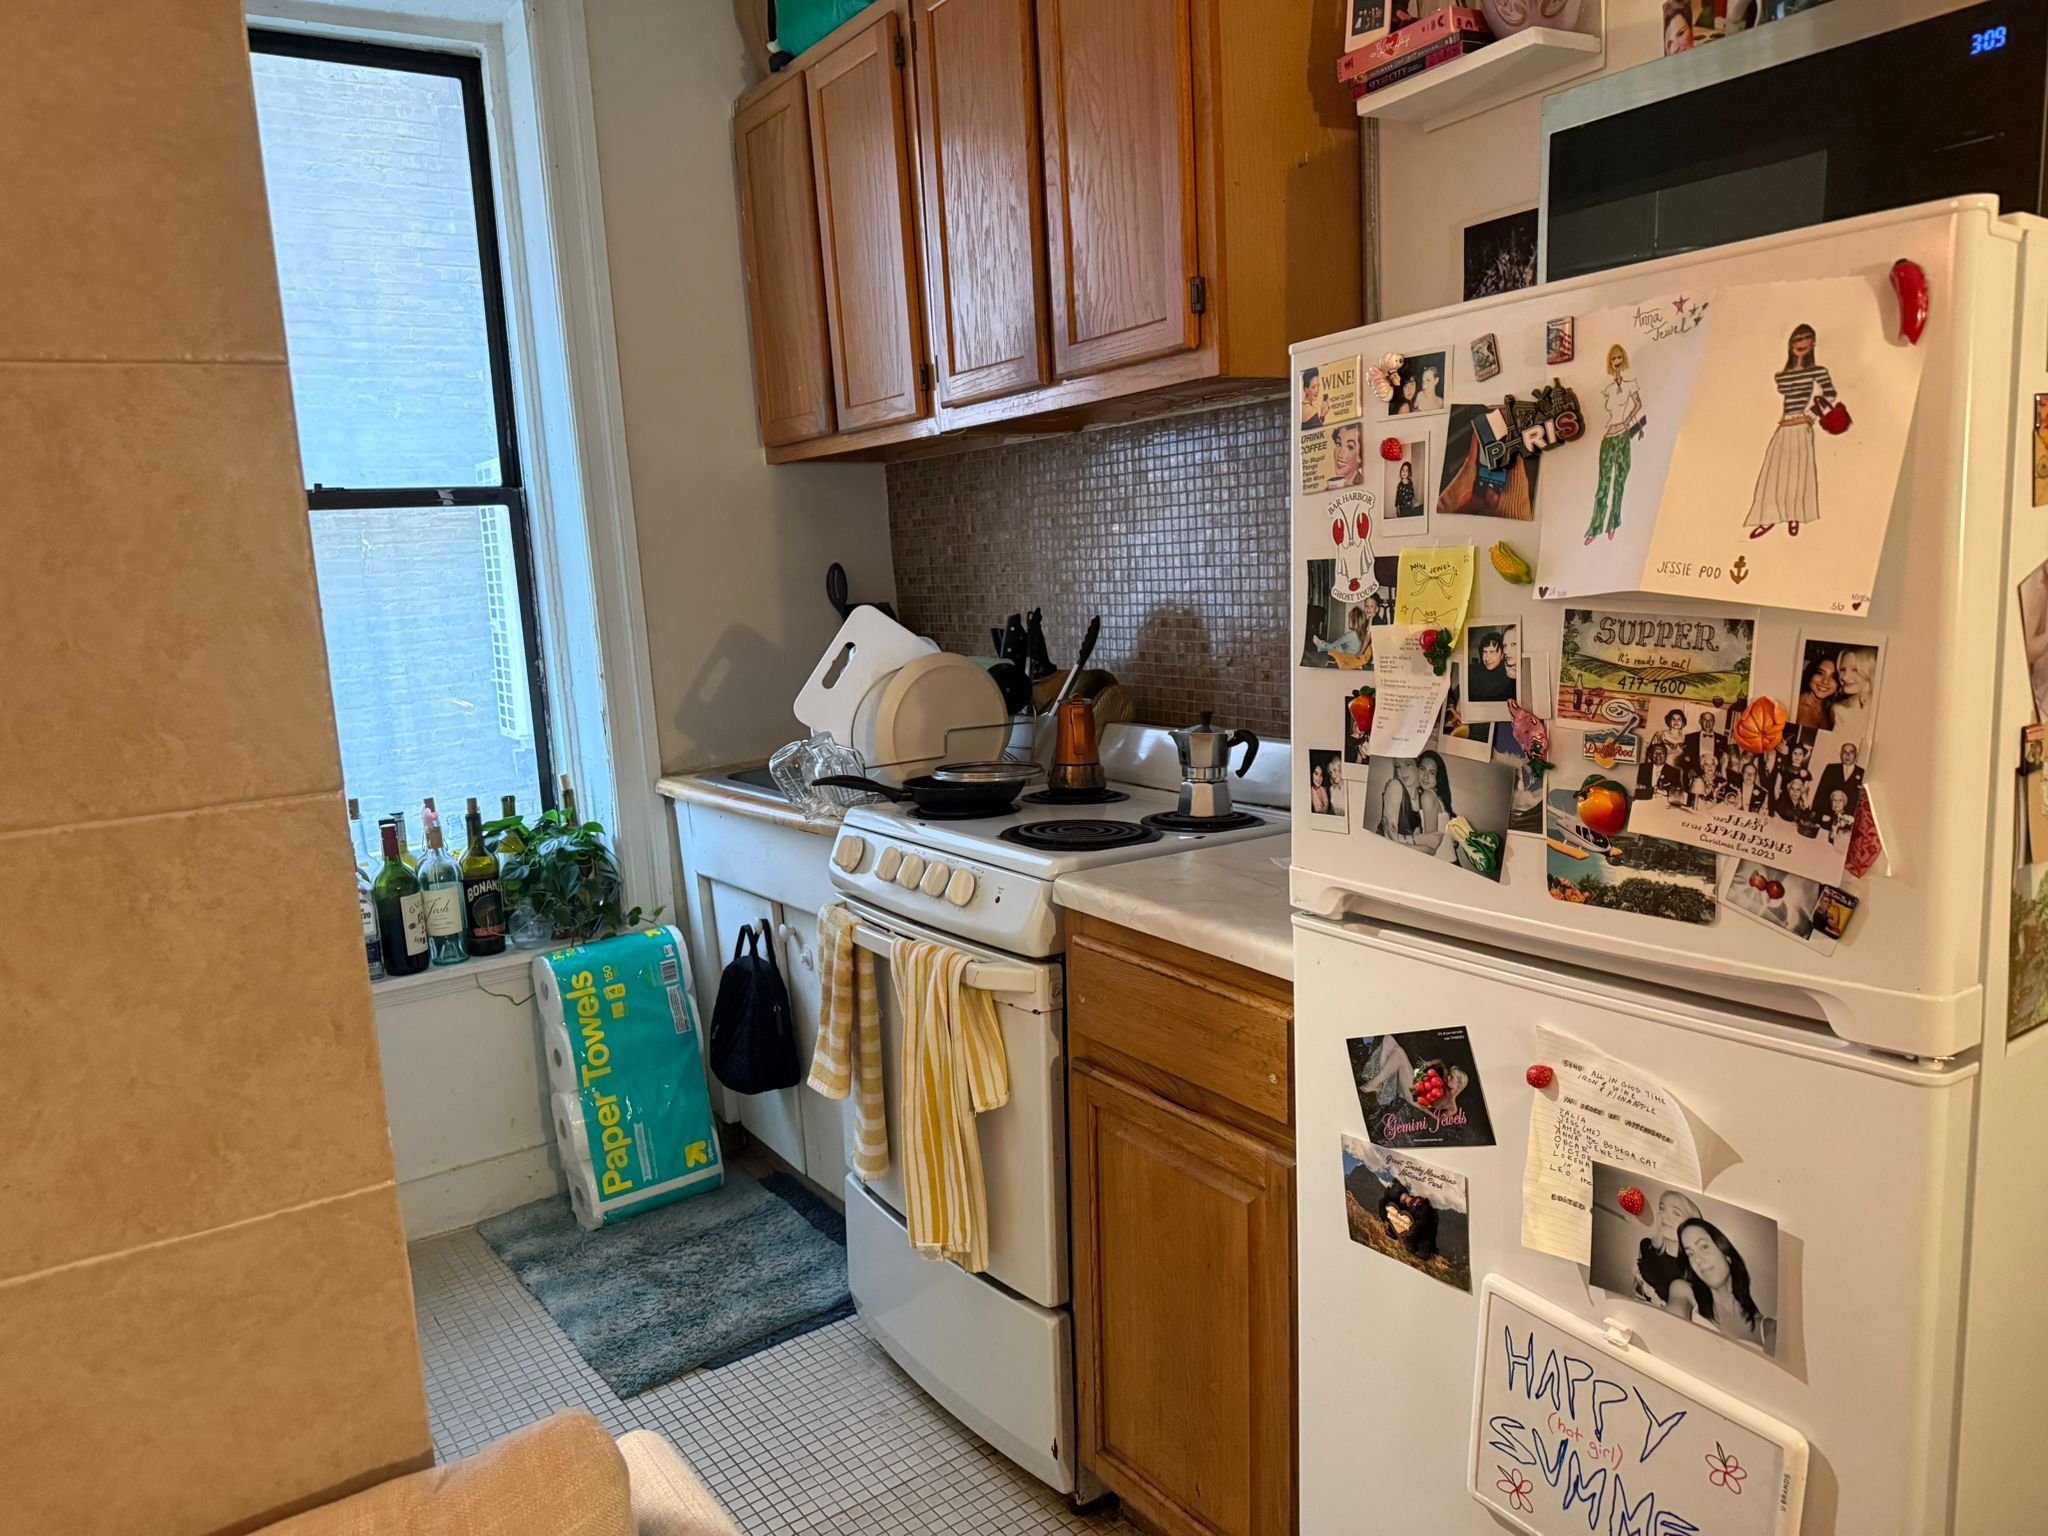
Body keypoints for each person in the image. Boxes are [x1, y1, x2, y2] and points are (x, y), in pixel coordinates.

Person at [1745, 322, 1838, 539]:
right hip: (1784, 423)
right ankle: (1768, 516)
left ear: (1812, 344)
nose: (1801, 344)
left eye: (1805, 340)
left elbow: (1831, 393)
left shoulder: (1818, 371)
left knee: (1798, 471)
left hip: (1800, 423)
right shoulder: (1782, 375)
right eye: (1797, 340)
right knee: (1775, 470)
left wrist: (1812, 415)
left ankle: (1795, 515)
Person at [1679, 1217, 1775, 1353]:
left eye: (1704, 1246)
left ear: (1726, 1253)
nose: (1698, 1260)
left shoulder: (1768, 1329)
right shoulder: (1685, 1293)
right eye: (1690, 1254)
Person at [1587, 344, 1645, 544]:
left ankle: (1613, 523)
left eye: (1619, 357)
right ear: (1610, 363)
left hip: (1623, 436)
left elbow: (1638, 404)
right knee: (1603, 484)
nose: (1617, 361)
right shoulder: (1608, 389)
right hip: (1608, 437)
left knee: (1620, 482)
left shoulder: (1631, 384)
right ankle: (1595, 528)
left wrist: (1627, 421)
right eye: (1613, 359)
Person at [1634, 1190, 1703, 1319]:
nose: (1664, 1216)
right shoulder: (1645, 1246)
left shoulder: (1693, 1272)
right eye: (1662, 1209)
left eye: (1676, 1213)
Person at [1830, 646, 1878, 745]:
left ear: (1871, 671)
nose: (1844, 677)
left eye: (1855, 670)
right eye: (1842, 669)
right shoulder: (1840, 711)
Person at [1682, 709, 1725, 806]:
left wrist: (1719, 770)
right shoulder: (1690, 737)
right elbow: (1683, 758)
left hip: (1713, 779)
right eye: (1705, 720)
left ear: (1714, 722)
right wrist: (1688, 769)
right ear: (1700, 722)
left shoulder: (1722, 739)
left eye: (1710, 720)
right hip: (1695, 778)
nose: (1708, 723)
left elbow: (1724, 759)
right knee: (1693, 805)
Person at [1814, 742, 1864, 815]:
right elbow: (1821, 792)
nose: (1848, 755)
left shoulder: (1862, 773)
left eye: (1851, 752)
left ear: (1855, 756)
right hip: (1828, 815)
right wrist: (1817, 813)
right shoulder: (1831, 769)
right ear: (1840, 755)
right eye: (1845, 752)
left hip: (1849, 818)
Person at [1379, 757, 1422, 842]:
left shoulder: (1423, 795)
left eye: (1407, 764)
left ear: (1418, 766)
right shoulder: (1395, 786)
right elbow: (1390, 835)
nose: (1402, 771)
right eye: (1398, 766)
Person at [1468, 628, 1516, 703]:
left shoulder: (1511, 677)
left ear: (1502, 655)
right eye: (1485, 652)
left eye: (1492, 652)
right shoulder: (1472, 672)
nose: (1487, 658)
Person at [1795, 650, 1840, 730]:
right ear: (1811, 675)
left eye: (1833, 677)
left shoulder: (1831, 710)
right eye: (1820, 673)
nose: (1825, 681)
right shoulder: (1797, 706)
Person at [1325, 422, 1366, 489]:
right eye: (1338, 444)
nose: (1340, 454)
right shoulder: (1328, 489)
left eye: (1350, 447)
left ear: (1359, 456)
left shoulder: (1366, 483)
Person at [1300, 366, 1325, 430]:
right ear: (1306, 389)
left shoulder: (1301, 407)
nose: (1317, 390)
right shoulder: (1312, 411)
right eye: (1313, 387)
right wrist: (1322, 415)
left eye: (1318, 386)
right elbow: (1320, 433)